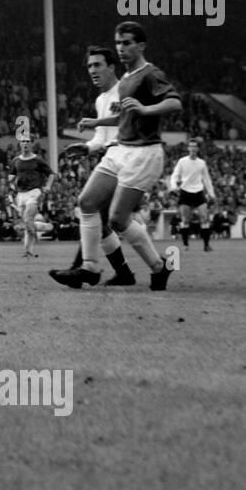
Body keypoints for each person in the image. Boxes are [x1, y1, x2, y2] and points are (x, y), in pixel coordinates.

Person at [51, 21, 182, 291]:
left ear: (141, 45)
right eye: (118, 43)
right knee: (86, 202)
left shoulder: (150, 73)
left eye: (127, 43)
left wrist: (146, 110)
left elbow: (174, 102)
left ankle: (159, 267)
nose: (121, 48)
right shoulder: (125, 80)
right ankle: (89, 266)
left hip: (144, 153)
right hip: (121, 148)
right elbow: (125, 115)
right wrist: (96, 125)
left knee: (117, 219)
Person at [52, 46, 136, 285]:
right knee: (100, 218)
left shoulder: (125, 90)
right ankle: (124, 273)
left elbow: (128, 125)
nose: (92, 70)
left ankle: (81, 269)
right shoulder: (101, 99)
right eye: (89, 66)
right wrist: (87, 147)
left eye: (98, 65)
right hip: (109, 158)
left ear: (111, 66)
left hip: (126, 158)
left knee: (91, 207)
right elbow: (101, 137)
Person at [8, 139, 54, 258]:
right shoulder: (16, 160)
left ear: (32, 144)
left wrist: (48, 186)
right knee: (28, 224)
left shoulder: (37, 160)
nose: (25, 144)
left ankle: (30, 247)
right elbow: (11, 177)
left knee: (28, 219)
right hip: (21, 194)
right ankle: (30, 247)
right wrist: (12, 182)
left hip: (34, 192)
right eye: (23, 142)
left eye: (28, 141)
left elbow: (51, 173)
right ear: (20, 145)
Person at [170, 138, 216, 251]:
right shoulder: (182, 161)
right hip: (185, 191)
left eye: (195, 146)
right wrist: (174, 187)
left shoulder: (201, 163)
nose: (193, 148)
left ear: (198, 149)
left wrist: (211, 193)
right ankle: (185, 244)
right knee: (185, 219)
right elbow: (175, 175)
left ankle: (206, 245)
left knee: (204, 218)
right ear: (188, 148)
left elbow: (207, 179)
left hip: (198, 192)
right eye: (191, 146)